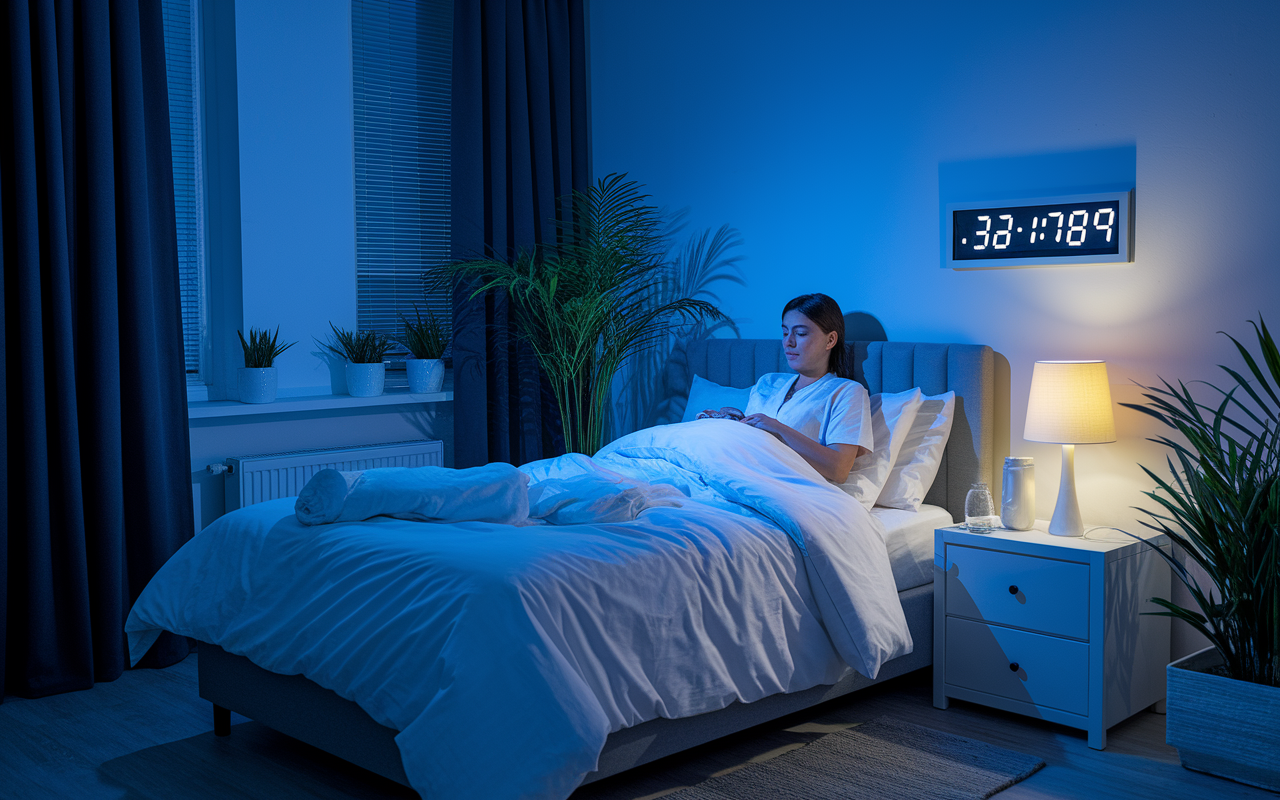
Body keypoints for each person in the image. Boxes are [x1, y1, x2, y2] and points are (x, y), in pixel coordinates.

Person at [697, 293, 872, 484]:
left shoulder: (846, 392)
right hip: (740, 474)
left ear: (830, 340)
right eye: (785, 332)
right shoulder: (768, 382)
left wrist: (777, 428)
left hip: (789, 488)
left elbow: (838, 469)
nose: (788, 342)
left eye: (800, 333)